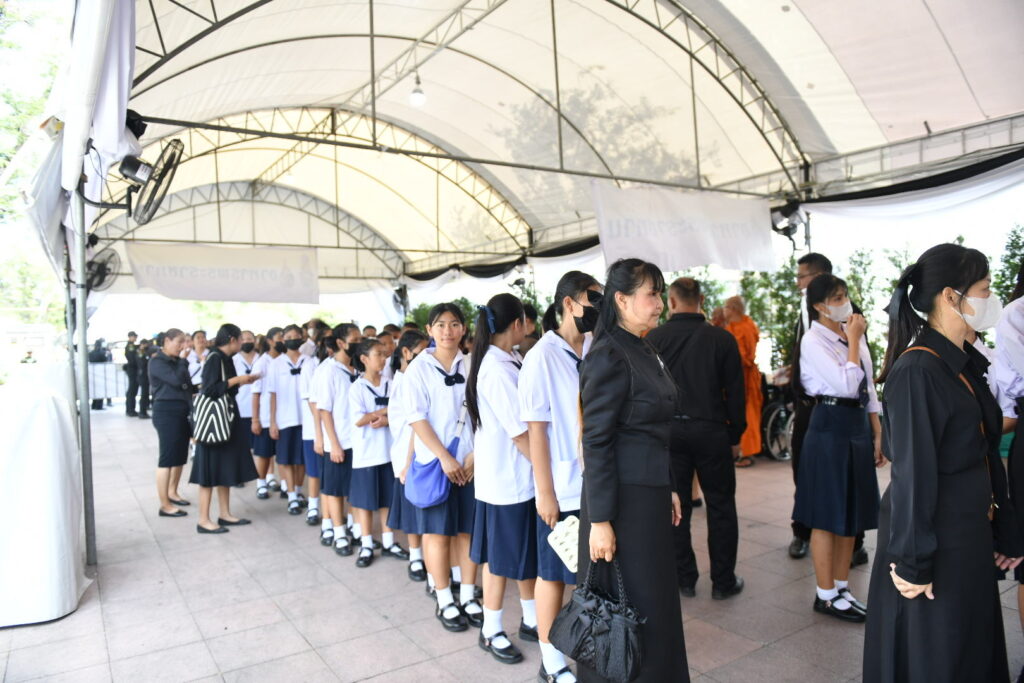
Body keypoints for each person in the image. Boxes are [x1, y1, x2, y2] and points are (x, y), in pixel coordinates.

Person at [864, 243, 1023, 682]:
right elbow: (913, 474)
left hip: (966, 533)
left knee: (970, 649)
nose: (991, 301)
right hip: (935, 541)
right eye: (985, 290)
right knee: (940, 656)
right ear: (952, 297)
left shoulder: (962, 362)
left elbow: (985, 450)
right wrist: (914, 561)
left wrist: (1003, 526)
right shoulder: (919, 370)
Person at [578, 258, 686, 682]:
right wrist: (601, 520)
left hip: (649, 495)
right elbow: (597, 442)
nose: (659, 302)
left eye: (660, 293)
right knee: (622, 612)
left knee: (653, 608)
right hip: (620, 506)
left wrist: (670, 487)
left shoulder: (644, 347)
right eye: (651, 294)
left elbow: (654, 430)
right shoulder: (608, 354)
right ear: (622, 299)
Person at [520, 270, 601, 683]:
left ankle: (591, 646)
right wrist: (544, 492)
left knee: (585, 572)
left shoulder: (592, 346)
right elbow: (536, 428)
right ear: (569, 304)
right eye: (593, 300)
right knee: (552, 575)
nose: (598, 309)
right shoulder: (541, 357)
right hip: (562, 485)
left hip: (593, 481)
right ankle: (551, 660)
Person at [791, 274, 883, 622]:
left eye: (845, 295)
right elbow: (846, 384)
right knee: (827, 515)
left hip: (856, 425)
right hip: (828, 423)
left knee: (852, 514)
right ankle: (825, 594)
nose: (844, 302)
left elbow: (868, 386)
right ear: (818, 305)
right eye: (837, 297)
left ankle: (842, 588)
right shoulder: (814, 341)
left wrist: (877, 431)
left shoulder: (851, 335)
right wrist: (855, 340)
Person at [647, 277, 745, 600]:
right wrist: (735, 433)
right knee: (720, 506)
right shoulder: (722, 339)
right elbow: (736, 393)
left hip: (670, 433)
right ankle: (723, 581)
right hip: (712, 430)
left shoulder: (654, 339)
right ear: (701, 299)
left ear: (671, 302)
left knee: (676, 507)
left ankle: (684, 578)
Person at [466, 294, 538, 665]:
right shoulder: (496, 367)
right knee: (500, 561)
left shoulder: (507, 358)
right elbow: (520, 432)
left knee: (524, 555)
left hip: (514, 479)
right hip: (508, 483)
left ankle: (531, 618)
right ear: (517, 323)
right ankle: (491, 628)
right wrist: (546, 473)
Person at [401, 303, 480, 632]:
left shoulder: (474, 363)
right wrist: (445, 458)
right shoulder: (418, 369)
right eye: (441, 325)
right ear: (430, 330)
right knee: (437, 535)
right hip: (436, 464)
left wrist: (474, 457)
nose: (448, 331)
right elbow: (416, 418)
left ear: (464, 329)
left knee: (466, 532)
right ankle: (445, 598)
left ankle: (469, 595)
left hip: (471, 463)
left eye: (455, 324)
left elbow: (485, 413)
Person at [189, 324, 260, 533]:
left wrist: (242, 381)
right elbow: (210, 390)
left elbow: (228, 388)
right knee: (209, 470)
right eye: (240, 339)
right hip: (214, 424)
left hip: (226, 421)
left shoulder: (225, 359)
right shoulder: (214, 358)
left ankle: (225, 513)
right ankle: (203, 519)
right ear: (231, 339)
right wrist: (238, 379)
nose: (242, 343)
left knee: (224, 468)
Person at [348, 338, 408, 567]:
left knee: (386, 500)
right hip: (366, 454)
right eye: (378, 355)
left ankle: (389, 541)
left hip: (388, 452)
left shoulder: (390, 382)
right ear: (364, 359)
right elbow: (359, 420)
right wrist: (386, 411)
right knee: (364, 502)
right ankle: (365, 544)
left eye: (385, 354)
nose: (383, 359)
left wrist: (385, 418)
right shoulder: (357, 388)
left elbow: (401, 410)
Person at [788, 252, 833, 559]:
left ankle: (850, 539)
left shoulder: (842, 311)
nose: (798, 282)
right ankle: (802, 530)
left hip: (833, 406)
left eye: (801, 276)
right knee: (802, 468)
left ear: (816, 278)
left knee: (835, 474)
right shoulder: (804, 311)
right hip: (807, 406)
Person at [316, 323, 364, 554]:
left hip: (360, 440)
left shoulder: (358, 369)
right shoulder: (329, 371)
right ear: (340, 343)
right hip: (339, 441)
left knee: (355, 488)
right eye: (355, 339)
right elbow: (323, 409)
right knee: (335, 490)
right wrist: (333, 443)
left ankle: (356, 529)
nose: (359, 342)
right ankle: (339, 533)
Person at [387, 329, 431, 581]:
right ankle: (416, 558)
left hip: (418, 455)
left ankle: (429, 561)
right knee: (413, 515)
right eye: (421, 351)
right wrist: (406, 463)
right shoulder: (404, 380)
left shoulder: (415, 377)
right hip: (407, 456)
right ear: (406, 353)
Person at [148, 328, 194, 518]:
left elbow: (187, 384)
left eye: (185, 342)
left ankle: (172, 492)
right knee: (167, 458)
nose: (183, 347)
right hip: (166, 412)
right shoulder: (157, 361)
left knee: (180, 456)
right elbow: (176, 381)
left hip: (182, 411)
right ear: (167, 341)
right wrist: (183, 361)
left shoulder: (176, 361)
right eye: (179, 342)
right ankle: (164, 505)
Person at [268, 325, 309, 514]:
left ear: (302, 338)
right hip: (285, 418)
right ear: (283, 340)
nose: (293, 339)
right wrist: (273, 421)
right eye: (289, 336)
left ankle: (299, 490)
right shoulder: (276, 364)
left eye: (296, 336)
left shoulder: (310, 361)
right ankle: (291, 495)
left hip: (306, 419)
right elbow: (273, 394)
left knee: (301, 459)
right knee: (285, 459)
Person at [723, 296, 761, 467]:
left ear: (733, 308)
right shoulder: (730, 326)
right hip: (732, 376)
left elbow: (749, 356)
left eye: (726, 307)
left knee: (748, 415)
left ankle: (748, 453)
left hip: (746, 375)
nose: (724, 311)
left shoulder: (746, 326)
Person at [251, 326, 284, 498]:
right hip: (265, 416)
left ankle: (286, 484)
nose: (283, 341)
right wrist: (255, 419)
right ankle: (261, 482)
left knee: (284, 455)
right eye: (280, 337)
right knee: (264, 453)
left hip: (284, 415)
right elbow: (255, 393)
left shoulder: (285, 360)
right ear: (270, 341)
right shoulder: (261, 362)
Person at [300, 330, 324, 526]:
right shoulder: (310, 366)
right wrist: (320, 429)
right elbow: (310, 399)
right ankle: (313, 506)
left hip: (336, 430)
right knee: (315, 472)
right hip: (314, 428)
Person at [88, 339, 111, 410]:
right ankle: (99, 406)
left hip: (93, 374)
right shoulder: (102, 353)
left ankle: (94, 405)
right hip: (101, 374)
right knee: (100, 390)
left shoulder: (91, 353)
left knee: (94, 390)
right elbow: (106, 360)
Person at [124, 331, 140, 416]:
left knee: (133, 390)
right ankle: (130, 410)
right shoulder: (130, 346)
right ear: (130, 337)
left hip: (133, 370)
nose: (135, 338)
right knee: (132, 390)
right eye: (134, 336)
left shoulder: (132, 346)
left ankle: (131, 409)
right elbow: (132, 358)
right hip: (132, 369)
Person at [137, 338, 153, 419]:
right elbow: (142, 363)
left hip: (145, 376)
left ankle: (143, 411)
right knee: (144, 395)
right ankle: (142, 412)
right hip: (143, 376)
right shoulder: (141, 352)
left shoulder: (144, 352)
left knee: (145, 394)